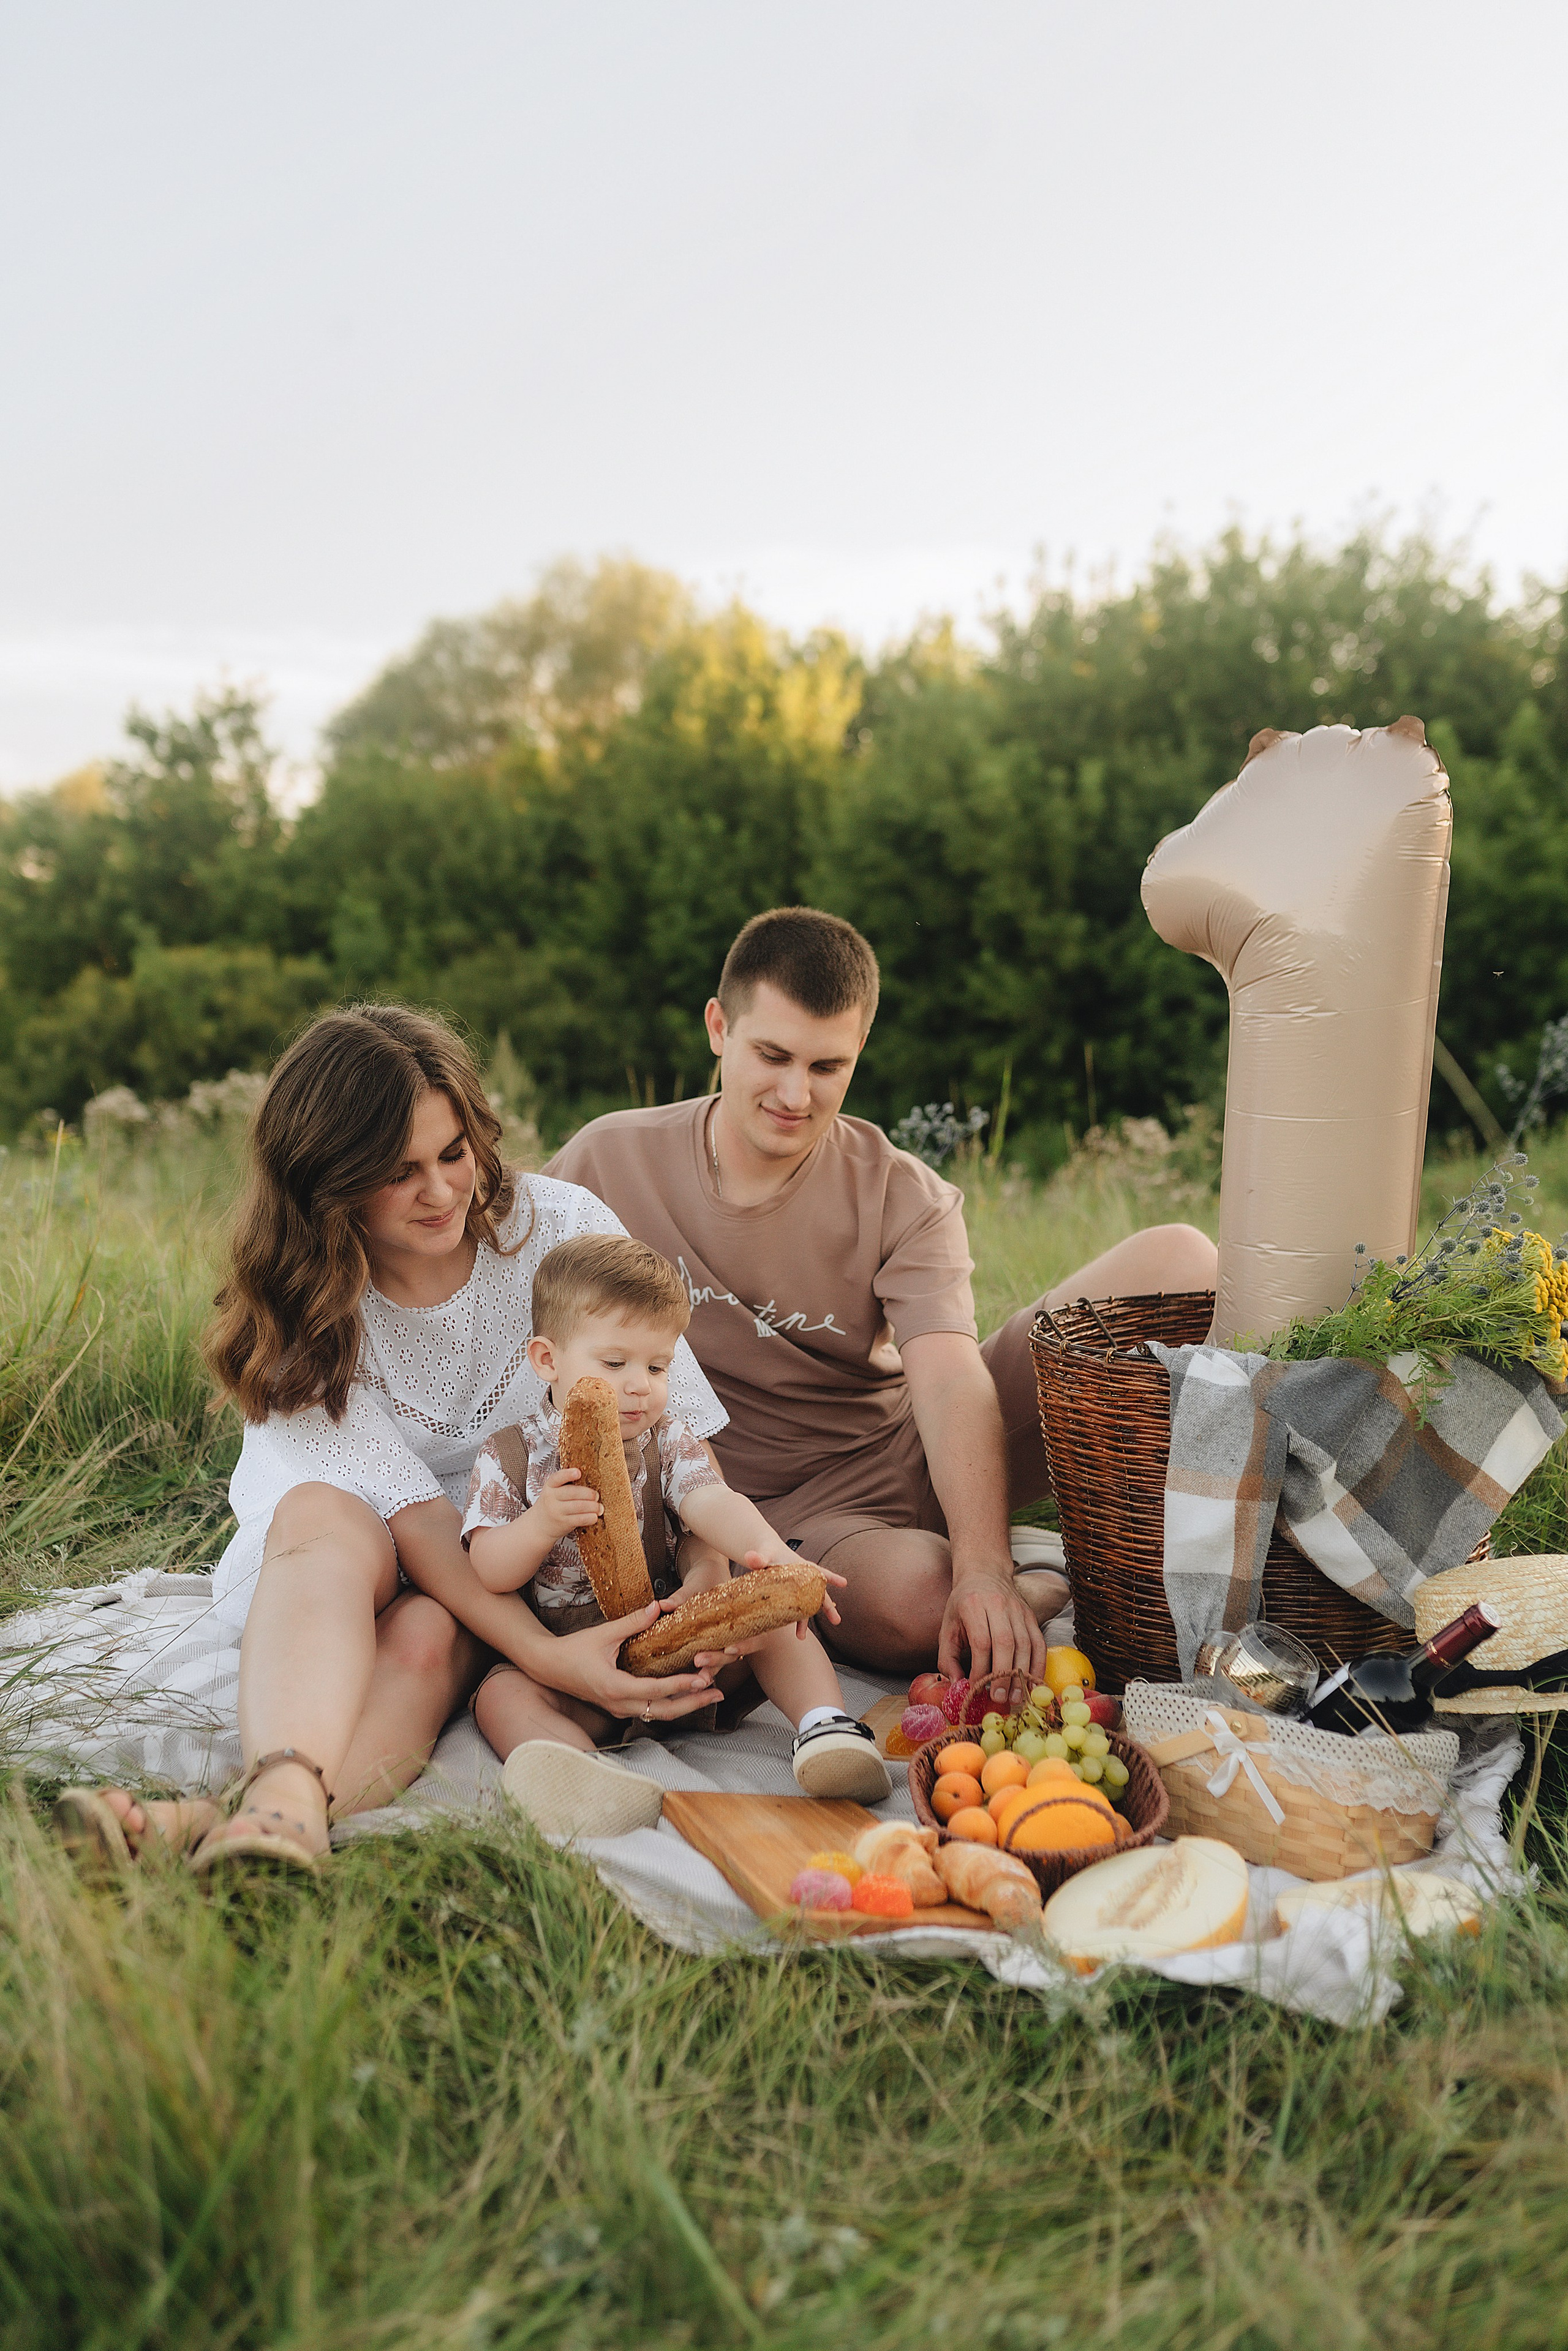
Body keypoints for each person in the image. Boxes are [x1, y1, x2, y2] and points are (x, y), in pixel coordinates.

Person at [58, 1005, 742, 1878]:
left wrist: (705, 1584)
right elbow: (420, 1527)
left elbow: (674, 1422)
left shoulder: (563, 1225)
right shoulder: (303, 1308)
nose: (442, 1190)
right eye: (397, 1172)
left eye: (453, 1152)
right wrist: (551, 1661)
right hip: (350, 1558)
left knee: (424, 1635)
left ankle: (245, 1816)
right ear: (327, 1180)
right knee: (328, 1511)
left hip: (514, 1558)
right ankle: (275, 1796)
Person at [546, 908, 1218, 1699]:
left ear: (859, 1051)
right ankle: (1017, 1583)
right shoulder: (605, 1160)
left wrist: (985, 1566)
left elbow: (947, 1375)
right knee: (922, 1605)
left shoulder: (903, 1191)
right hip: (776, 1511)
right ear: (718, 1026)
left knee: (1182, 1259)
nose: (796, 1093)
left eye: (829, 1065)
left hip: (920, 1447)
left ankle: (1010, 1555)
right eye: (772, 1055)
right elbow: (515, 1320)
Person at [464, 1232, 891, 1808]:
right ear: (548, 1359)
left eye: (659, 1366)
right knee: (502, 1697)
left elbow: (710, 1501)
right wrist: (540, 1524)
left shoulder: (667, 1440)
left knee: (763, 1611)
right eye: (615, 1362)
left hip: (684, 1652)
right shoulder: (510, 1454)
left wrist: (774, 1554)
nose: (640, 1384)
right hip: (577, 1667)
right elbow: (489, 1568)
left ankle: (826, 1727)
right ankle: (582, 1781)